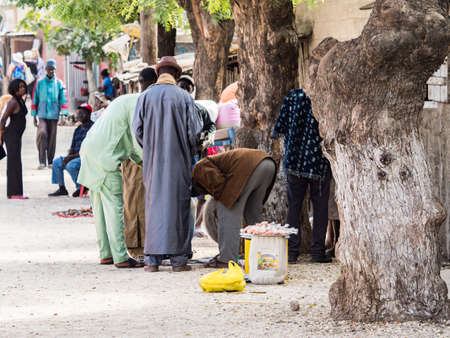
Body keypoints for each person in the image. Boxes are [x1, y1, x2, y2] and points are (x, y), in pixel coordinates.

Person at [133, 56, 203, 272]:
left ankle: (151, 261)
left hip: (152, 162)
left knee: (154, 206)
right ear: (176, 74)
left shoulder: (144, 97)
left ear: (159, 72)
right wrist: (190, 147)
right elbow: (195, 132)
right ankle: (178, 260)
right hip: (179, 161)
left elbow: (137, 131)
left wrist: (152, 147)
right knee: (179, 207)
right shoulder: (184, 97)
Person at [78, 94, 144, 269]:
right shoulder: (138, 104)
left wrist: (141, 162)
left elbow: (127, 142)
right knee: (114, 207)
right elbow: (136, 138)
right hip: (105, 158)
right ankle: (121, 257)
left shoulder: (123, 100)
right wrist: (150, 163)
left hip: (89, 151)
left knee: (99, 208)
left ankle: (106, 254)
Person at [272, 88, 332, 264]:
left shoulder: (292, 96)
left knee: (294, 207)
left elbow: (279, 127)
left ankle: (291, 253)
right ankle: (317, 252)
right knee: (320, 207)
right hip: (318, 162)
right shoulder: (324, 95)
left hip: (294, 160)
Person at [193, 149, 277, 268]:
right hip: (267, 164)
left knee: (227, 209)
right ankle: (266, 256)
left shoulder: (198, 168)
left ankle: (227, 259)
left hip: (249, 166)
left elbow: (219, 185)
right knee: (253, 214)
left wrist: (223, 199)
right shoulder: (216, 163)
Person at [121, 67, 157, 259]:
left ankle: (144, 245)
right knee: (134, 202)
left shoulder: (146, 99)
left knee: (140, 202)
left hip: (142, 156)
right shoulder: (139, 101)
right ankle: (135, 247)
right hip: (136, 156)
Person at [48, 103, 93, 198]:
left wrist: (70, 158)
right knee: (57, 163)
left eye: (82, 113)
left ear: (89, 114)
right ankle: (62, 188)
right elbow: (72, 147)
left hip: (87, 157)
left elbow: (88, 150)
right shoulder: (78, 129)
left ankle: (81, 187)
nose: (79, 115)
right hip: (74, 156)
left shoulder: (93, 128)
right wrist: (67, 157)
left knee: (71, 165)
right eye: (78, 113)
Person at [31, 59, 69, 169]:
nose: (51, 71)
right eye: (49, 69)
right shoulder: (39, 83)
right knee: (42, 134)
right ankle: (42, 161)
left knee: (52, 138)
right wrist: (34, 115)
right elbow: (35, 99)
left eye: (53, 69)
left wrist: (63, 115)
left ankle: (50, 161)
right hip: (41, 114)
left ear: (55, 69)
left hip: (54, 115)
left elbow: (63, 99)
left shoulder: (59, 83)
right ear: (45, 69)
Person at [0, 79, 28, 199]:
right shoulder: (12, 102)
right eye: (20, 87)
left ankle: (17, 192)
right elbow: (3, 120)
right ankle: (13, 193)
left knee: (17, 162)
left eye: (24, 86)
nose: (23, 89)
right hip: (11, 135)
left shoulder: (20, 100)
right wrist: (0, 135)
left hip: (17, 136)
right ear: (15, 88)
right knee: (13, 163)